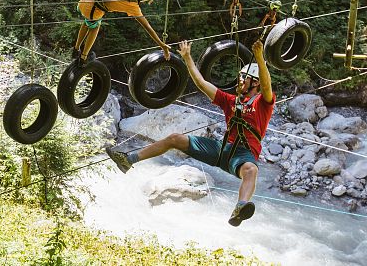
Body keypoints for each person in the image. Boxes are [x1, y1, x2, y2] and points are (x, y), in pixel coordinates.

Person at [107, 40, 275, 227]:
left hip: (244, 155)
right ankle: (128, 159)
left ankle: (240, 207)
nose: (240, 80)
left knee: (251, 170)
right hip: (222, 149)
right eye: (241, 76)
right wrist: (187, 58)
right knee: (174, 139)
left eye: (244, 78)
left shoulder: (263, 103)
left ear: (255, 82)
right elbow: (202, 84)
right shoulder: (230, 100)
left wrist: (259, 57)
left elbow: (267, 86)